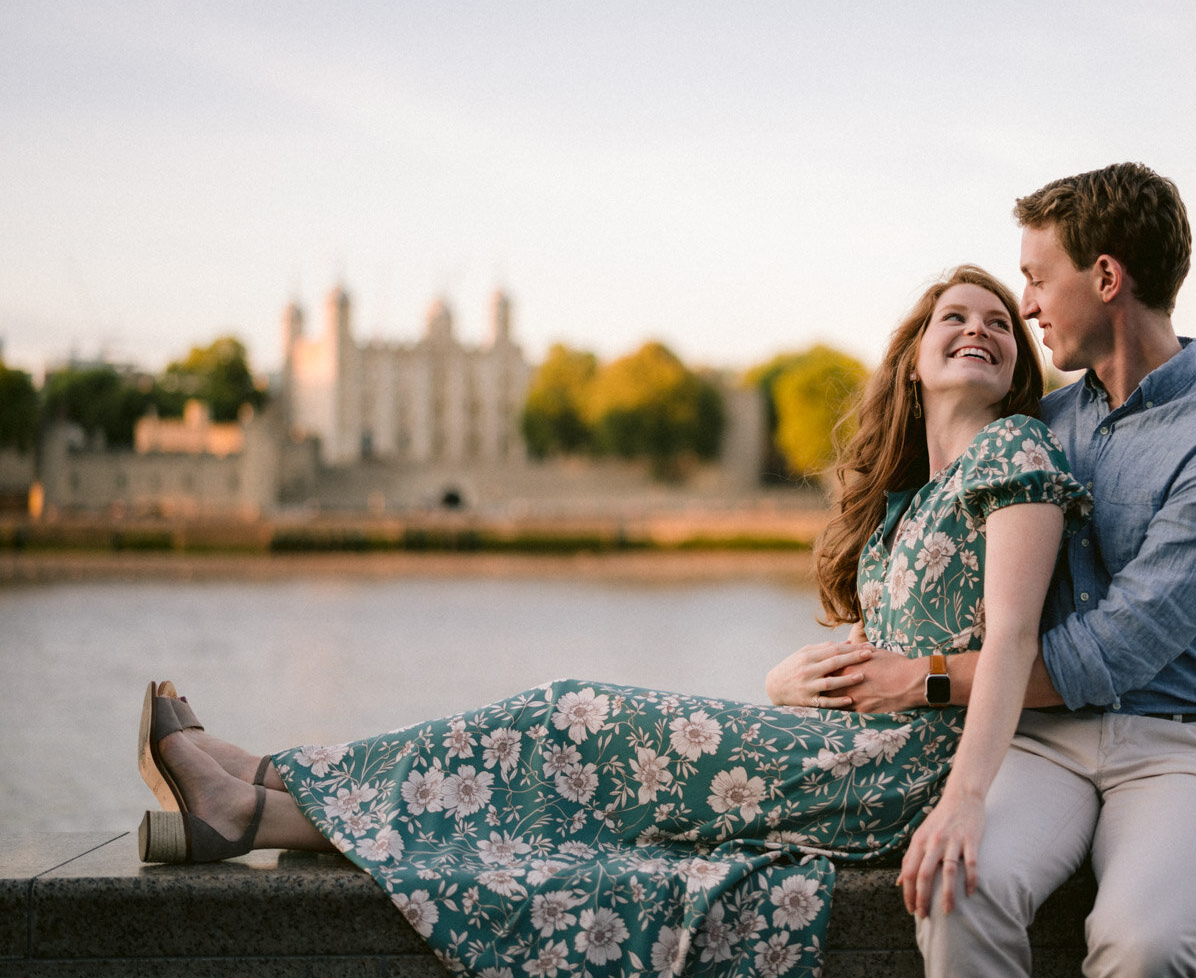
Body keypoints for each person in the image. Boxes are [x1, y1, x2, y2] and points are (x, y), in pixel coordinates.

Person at [136, 264, 1091, 978]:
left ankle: (265, 780)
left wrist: (964, 800)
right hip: (840, 753)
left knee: (568, 723)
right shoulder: (907, 504)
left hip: (904, 777)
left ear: (1016, 368)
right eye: (952, 317)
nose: (978, 327)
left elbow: (1011, 644)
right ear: (914, 364)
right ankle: (256, 805)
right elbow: (870, 661)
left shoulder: (1013, 449)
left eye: (1000, 320)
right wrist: (783, 682)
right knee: (560, 795)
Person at [820, 164, 1196, 977]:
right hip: (1045, 744)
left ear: (1105, 278)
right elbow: (945, 574)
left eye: (1037, 279)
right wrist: (829, 669)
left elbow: (1116, 649)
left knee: (1140, 946)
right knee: (955, 894)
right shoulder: (1039, 426)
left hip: (1185, 746)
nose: (1028, 304)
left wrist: (923, 680)